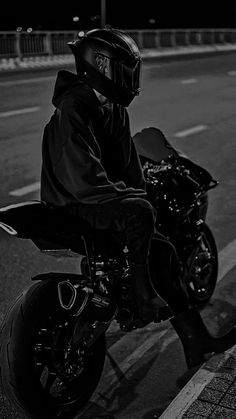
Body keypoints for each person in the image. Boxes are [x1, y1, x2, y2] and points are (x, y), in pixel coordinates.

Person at [40, 27, 236, 369]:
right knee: (139, 211)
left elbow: (129, 166)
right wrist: (132, 197)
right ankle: (144, 297)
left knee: (163, 248)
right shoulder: (74, 107)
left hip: (99, 198)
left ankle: (196, 341)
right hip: (73, 201)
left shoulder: (115, 110)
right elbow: (81, 174)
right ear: (98, 66)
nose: (128, 77)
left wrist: (138, 188)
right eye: (122, 69)